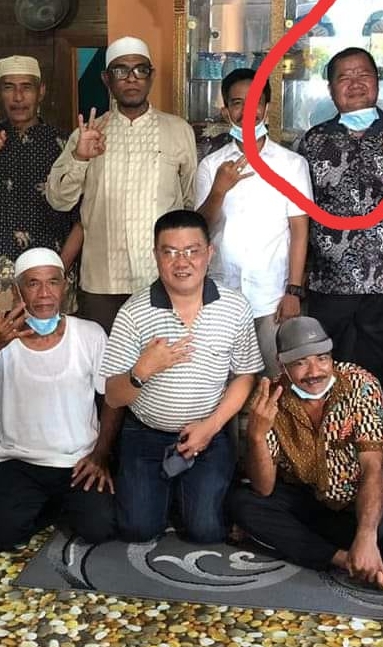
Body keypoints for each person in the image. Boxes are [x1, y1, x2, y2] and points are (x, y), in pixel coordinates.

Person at [101, 210, 263, 543]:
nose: (182, 262)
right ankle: (167, 490)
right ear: (156, 255)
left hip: (208, 433)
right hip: (146, 433)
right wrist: (142, 370)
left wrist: (211, 427)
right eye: (170, 252)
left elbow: (245, 375)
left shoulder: (235, 307)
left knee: (207, 531)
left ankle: (188, 492)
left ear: (209, 253)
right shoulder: (133, 312)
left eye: (192, 251)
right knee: (138, 529)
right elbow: (114, 396)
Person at [0, 248, 117, 551]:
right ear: (17, 292)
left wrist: (100, 454)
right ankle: (48, 506)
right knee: (0, 537)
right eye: (33, 283)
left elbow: (112, 399)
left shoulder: (89, 334)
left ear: (64, 287)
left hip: (78, 460)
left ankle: (51, 505)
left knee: (100, 528)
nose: (44, 294)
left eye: (52, 282)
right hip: (21, 461)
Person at [229, 316, 383, 585]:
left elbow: (374, 467)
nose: (314, 372)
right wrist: (256, 436)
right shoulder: (271, 396)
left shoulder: (360, 384)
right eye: (300, 362)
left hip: (355, 502)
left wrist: (366, 535)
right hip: (308, 496)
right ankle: (344, 559)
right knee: (242, 503)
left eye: (322, 358)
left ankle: (341, 545)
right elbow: (264, 488)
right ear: (282, 365)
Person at [296, 47, 383, 442]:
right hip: (329, 285)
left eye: (363, 74)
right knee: (327, 373)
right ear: (331, 89)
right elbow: (300, 213)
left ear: (378, 81)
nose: (355, 83)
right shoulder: (314, 141)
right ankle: (330, 451)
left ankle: (380, 453)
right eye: (344, 77)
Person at [46, 37, 197, 333]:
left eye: (140, 69)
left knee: (165, 355)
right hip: (103, 281)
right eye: (120, 70)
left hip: (161, 276)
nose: (131, 78)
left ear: (151, 76)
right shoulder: (88, 134)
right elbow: (58, 200)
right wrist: (80, 157)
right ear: (106, 79)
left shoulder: (178, 130)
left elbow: (189, 202)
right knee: (104, 357)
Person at [195, 68, 312, 375]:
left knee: (276, 380)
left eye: (254, 103)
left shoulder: (292, 165)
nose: (246, 111)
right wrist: (219, 190)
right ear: (225, 111)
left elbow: (299, 231)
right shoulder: (210, 165)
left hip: (273, 296)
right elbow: (201, 230)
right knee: (225, 381)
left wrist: (294, 291)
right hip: (221, 295)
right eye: (237, 103)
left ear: (266, 108)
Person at [0, 55, 83, 314]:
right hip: (1, 272)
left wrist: (58, 271)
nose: (18, 97)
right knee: (2, 338)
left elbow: (83, 219)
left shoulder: (65, 144)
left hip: (53, 270)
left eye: (26, 87)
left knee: (54, 337)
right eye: (9, 87)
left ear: (41, 92)